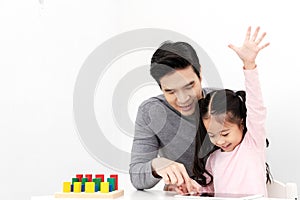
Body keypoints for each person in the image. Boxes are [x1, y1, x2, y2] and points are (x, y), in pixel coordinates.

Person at [193, 26, 270, 196]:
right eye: (212, 135)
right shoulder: (213, 160)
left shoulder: (252, 144)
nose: (219, 141)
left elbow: (256, 107)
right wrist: (192, 188)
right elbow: (208, 190)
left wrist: (249, 65)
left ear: (241, 123)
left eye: (225, 133)